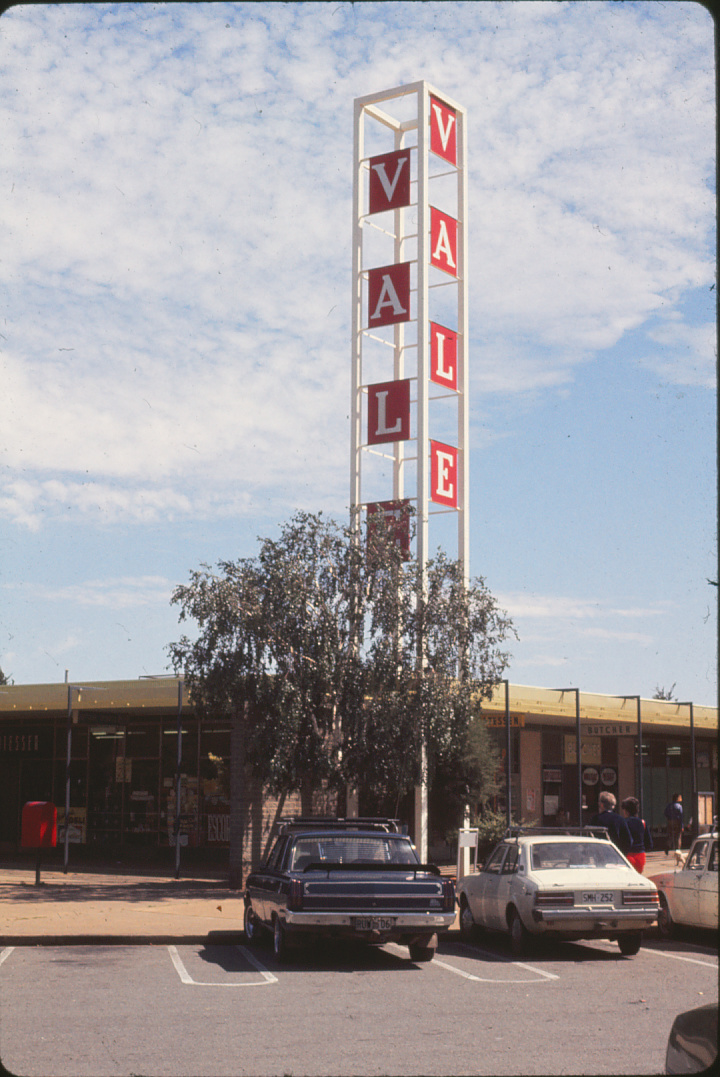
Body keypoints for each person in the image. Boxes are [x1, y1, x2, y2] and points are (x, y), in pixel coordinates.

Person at [620, 796, 653, 873]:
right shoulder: (643, 823)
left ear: (626, 811)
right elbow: (649, 844)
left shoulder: (624, 822)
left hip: (627, 855)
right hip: (640, 856)